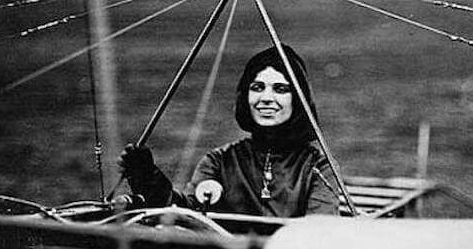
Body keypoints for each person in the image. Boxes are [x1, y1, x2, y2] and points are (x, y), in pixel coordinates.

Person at [117, 45, 339, 217]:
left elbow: (320, 230)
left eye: (280, 89)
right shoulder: (219, 161)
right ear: (246, 95)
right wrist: (147, 178)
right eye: (257, 87)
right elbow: (184, 213)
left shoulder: (319, 166)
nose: (266, 98)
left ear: (298, 100)